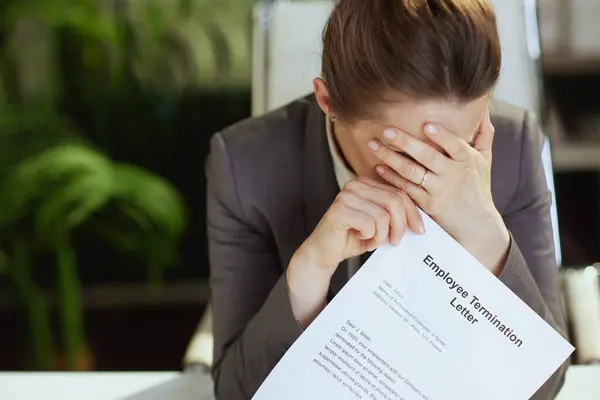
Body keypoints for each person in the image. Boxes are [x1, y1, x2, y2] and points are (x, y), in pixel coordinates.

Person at [206, 0, 569, 399]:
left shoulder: (514, 149)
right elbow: (236, 392)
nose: (429, 177)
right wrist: (309, 272)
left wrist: (485, 236)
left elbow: (545, 388)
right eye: (405, 155)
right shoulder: (244, 168)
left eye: (453, 149)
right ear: (328, 104)